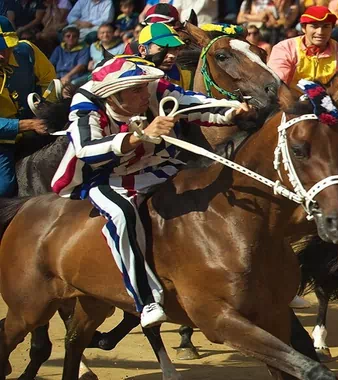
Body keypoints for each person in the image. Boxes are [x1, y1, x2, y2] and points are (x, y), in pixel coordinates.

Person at [50, 57, 249, 326]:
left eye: (144, 87)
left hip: (159, 165)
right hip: (105, 177)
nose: (145, 93)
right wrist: (138, 136)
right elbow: (86, 149)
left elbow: (195, 104)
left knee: (207, 184)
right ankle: (146, 300)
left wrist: (231, 111)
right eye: (135, 90)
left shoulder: (155, 89)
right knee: (121, 215)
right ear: (114, 97)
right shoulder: (86, 105)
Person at [0, 15, 56, 197]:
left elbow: (50, 80)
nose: (3, 54)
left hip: (38, 122)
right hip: (3, 140)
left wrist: (46, 109)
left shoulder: (27, 50)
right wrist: (27, 125)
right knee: (4, 188)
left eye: (7, 47)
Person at [268, 6, 338, 88]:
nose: (320, 32)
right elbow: (277, 84)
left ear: (332, 29)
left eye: (326, 26)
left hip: (331, 100)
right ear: (304, 28)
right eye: (314, 26)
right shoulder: (285, 49)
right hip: (292, 99)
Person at [124, 23, 192, 90]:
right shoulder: (128, 74)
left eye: (175, 49)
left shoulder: (187, 76)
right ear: (143, 50)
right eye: (163, 49)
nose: (172, 55)